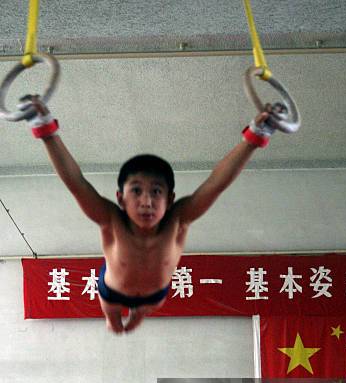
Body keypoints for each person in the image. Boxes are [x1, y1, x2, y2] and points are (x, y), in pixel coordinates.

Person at [21, 95, 276, 333]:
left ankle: (137, 315)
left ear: (170, 199)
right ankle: (114, 321)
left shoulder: (179, 220)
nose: (147, 202)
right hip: (112, 290)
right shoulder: (110, 219)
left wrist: (253, 139)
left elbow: (215, 183)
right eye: (136, 191)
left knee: (142, 313)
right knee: (114, 323)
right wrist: (46, 131)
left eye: (156, 192)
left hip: (155, 295)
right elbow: (76, 182)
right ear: (120, 198)